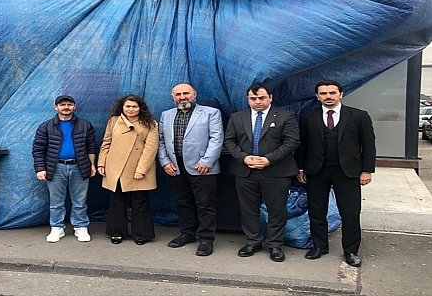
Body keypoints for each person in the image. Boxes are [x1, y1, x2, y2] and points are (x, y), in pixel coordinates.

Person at [295, 80, 376, 268]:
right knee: (317, 211)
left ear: (341, 93)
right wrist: (300, 168)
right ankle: (319, 246)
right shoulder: (308, 117)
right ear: (317, 96)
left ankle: (351, 251)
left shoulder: (358, 116)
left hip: (348, 172)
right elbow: (302, 145)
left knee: (350, 213)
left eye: (332, 92)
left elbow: (369, 145)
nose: (328, 96)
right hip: (317, 171)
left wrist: (366, 170)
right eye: (323, 93)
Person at [223, 83, 300, 262]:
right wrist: (244, 158)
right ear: (248, 99)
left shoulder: (285, 116)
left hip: (276, 171)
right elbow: (229, 141)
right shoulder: (237, 117)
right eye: (253, 98)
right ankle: (253, 241)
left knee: (277, 210)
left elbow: (292, 142)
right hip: (245, 171)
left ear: (270, 98)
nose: (257, 102)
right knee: (248, 209)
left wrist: (269, 159)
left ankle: (275, 245)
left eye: (262, 98)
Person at [158, 83, 223, 256]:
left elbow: (216, 139)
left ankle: (206, 239)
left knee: (205, 205)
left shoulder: (211, 113)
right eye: (178, 94)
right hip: (176, 167)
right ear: (173, 97)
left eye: (186, 93)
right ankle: (187, 234)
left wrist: (207, 161)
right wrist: (165, 162)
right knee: (183, 202)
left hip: (202, 168)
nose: (182, 97)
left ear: (194, 94)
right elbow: (161, 141)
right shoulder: (167, 115)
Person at [32, 95, 97, 243]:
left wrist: (92, 164)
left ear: (74, 107)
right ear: (56, 107)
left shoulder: (85, 125)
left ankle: (80, 227)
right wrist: (40, 168)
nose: (66, 107)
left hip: (79, 167)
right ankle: (57, 228)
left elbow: (91, 147)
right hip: (55, 168)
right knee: (56, 202)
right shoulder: (46, 126)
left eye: (69, 104)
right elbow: (38, 149)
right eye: (62, 105)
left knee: (80, 201)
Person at [97, 95, 159, 245]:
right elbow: (106, 143)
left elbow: (151, 149)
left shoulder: (151, 124)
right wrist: (101, 163)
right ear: (122, 107)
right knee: (117, 201)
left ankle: (141, 234)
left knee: (140, 201)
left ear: (140, 108)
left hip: (139, 167)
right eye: (128, 106)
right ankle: (116, 232)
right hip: (115, 167)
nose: (131, 109)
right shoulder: (114, 121)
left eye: (134, 106)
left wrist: (141, 169)